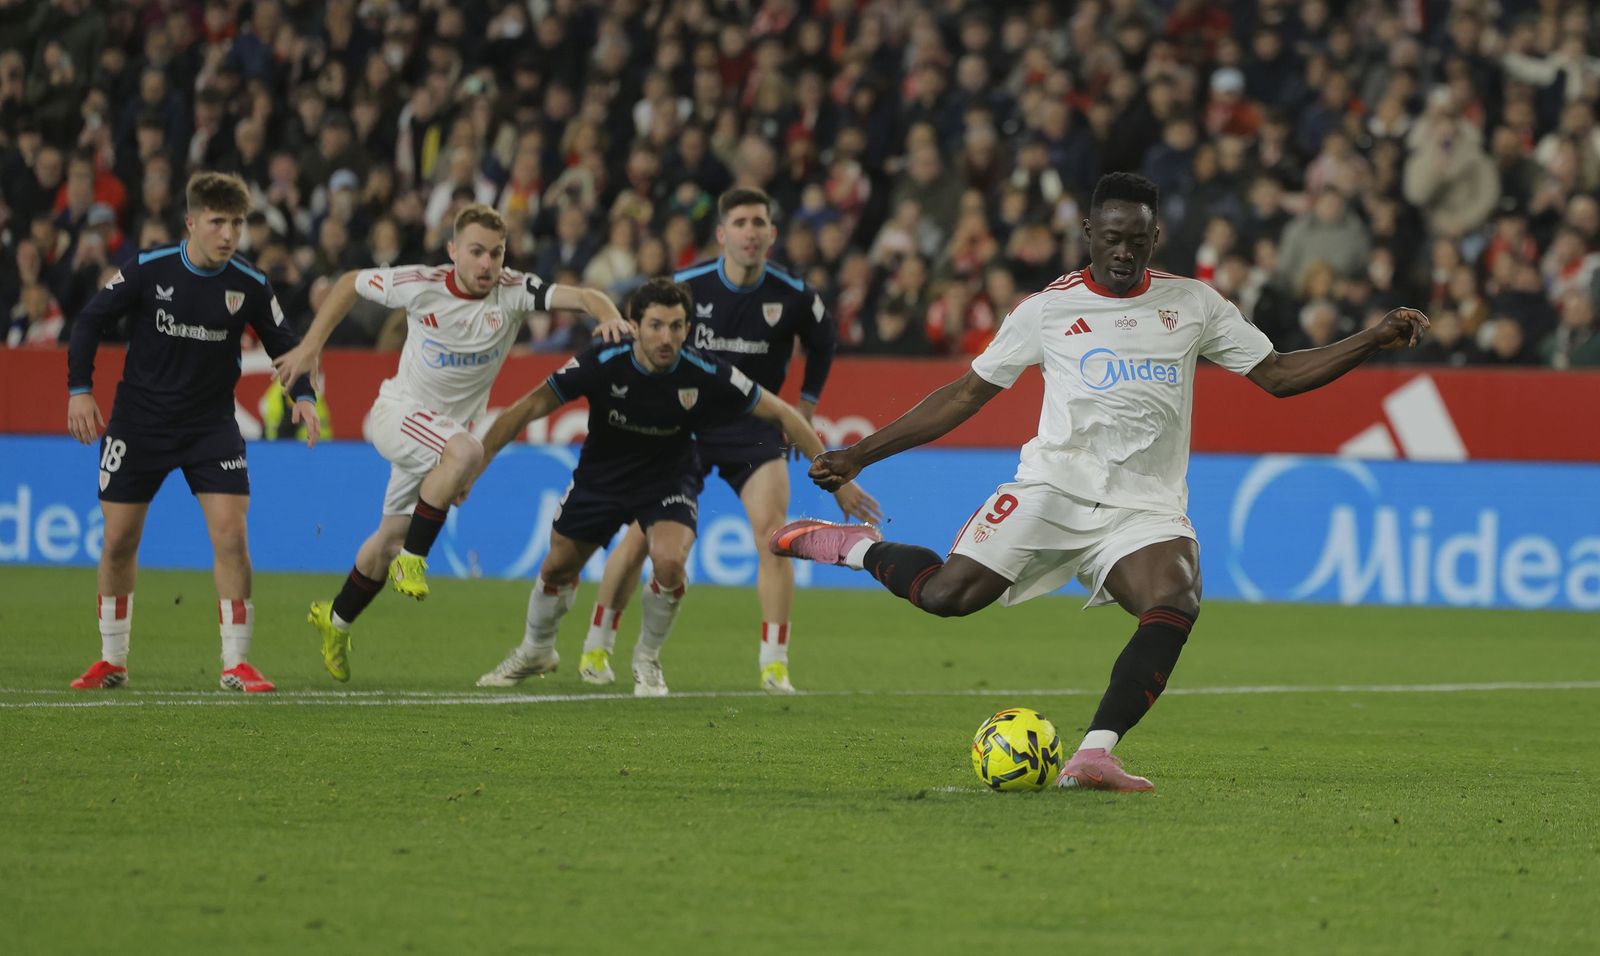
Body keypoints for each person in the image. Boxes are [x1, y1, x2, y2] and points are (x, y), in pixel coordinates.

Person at [772, 173, 1430, 791]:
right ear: (1088, 233)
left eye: (1136, 241)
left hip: (1143, 503)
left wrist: (1371, 339)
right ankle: (846, 546)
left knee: (1177, 596)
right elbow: (965, 395)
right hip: (1053, 486)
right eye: (1111, 239)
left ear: (1154, 238)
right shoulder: (1048, 310)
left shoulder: (1194, 304)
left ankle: (1095, 752)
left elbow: (1279, 374)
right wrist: (861, 454)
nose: (1123, 253)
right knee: (947, 595)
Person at [269, 203, 627, 683]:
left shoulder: (514, 291)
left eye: (496, 254)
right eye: (476, 252)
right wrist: (312, 346)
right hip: (399, 415)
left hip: (438, 437)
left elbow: (585, 296)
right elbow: (350, 280)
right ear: (453, 250)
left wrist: (611, 315)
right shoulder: (421, 283)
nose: (487, 264)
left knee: (388, 539)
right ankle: (416, 562)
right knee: (465, 452)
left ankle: (335, 620)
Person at [472, 277, 868, 697]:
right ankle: (536, 650)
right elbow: (529, 406)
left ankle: (646, 657)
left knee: (669, 561)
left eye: (677, 326)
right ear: (634, 324)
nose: (668, 337)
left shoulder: (704, 369)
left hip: (668, 478)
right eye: (657, 325)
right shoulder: (603, 360)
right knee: (557, 566)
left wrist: (836, 480)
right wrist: (476, 464)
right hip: (602, 476)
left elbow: (785, 415)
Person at [579, 187, 879, 696]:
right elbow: (649, 344)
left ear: (772, 234)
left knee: (775, 536)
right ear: (722, 234)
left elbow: (825, 342)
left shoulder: (795, 296)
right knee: (639, 535)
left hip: (753, 426)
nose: (750, 231)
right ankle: (596, 644)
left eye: (759, 222)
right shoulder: (686, 287)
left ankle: (775, 665)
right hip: (683, 426)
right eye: (740, 222)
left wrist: (806, 403)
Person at [65, 171, 320, 693]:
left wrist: (306, 398)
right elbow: (89, 321)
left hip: (210, 427)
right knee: (118, 540)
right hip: (139, 424)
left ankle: (235, 663)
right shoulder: (148, 269)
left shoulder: (249, 283)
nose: (229, 235)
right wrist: (79, 390)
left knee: (231, 535)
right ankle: (112, 658)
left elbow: (285, 344)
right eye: (217, 222)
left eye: (238, 224)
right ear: (191, 223)